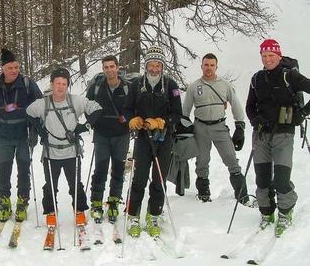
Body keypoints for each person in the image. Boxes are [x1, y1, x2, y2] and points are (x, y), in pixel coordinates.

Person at [246, 39, 310, 236]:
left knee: (281, 179)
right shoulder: (257, 78)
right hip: (262, 134)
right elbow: (250, 106)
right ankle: (266, 213)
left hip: (284, 133)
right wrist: (255, 120)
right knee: (262, 179)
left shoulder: (289, 75)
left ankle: (285, 211)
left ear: (279, 56)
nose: (267, 59)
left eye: (271, 55)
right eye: (264, 56)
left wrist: (302, 113)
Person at [26, 67, 102, 231]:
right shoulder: (43, 103)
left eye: (64, 84)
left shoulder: (75, 101)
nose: (60, 87)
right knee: (50, 185)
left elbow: (97, 109)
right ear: (52, 84)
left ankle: (79, 210)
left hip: (71, 152)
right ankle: (51, 212)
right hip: (50, 153)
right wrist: (39, 129)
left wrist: (86, 126)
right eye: (57, 83)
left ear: (67, 85)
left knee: (75, 184)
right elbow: (28, 112)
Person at [123, 45, 182, 237]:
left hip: (163, 138)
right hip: (142, 137)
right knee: (139, 178)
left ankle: (154, 213)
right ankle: (133, 215)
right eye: (151, 64)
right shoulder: (136, 84)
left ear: (162, 66)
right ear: (146, 65)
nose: (154, 68)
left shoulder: (171, 85)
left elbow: (177, 114)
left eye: (158, 65)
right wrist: (131, 119)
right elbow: (126, 109)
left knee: (159, 178)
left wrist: (161, 122)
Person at [183, 53, 251, 205]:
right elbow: (185, 110)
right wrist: (183, 128)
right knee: (202, 160)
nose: (209, 68)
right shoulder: (194, 86)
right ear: (201, 66)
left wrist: (240, 125)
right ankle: (203, 193)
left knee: (231, 158)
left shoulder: (225, 84)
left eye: (212, 65)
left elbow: (236, 104)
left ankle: (242, 194)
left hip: (219, 126)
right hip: (200, 127)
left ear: (216, 67)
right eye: (206, 65)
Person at [0, 48, 42, 223]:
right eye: (10, 67)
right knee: (3, 171)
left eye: (16, 67)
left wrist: (34, 131)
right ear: (3, 68)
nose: (14, 70)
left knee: (24, 171)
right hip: (3, 136)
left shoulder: (27, 83)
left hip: (23, 135)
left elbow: (39, 106)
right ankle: (4, 203)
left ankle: (22, 203)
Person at [86, 55, 130, 223]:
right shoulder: (97, 87)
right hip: (102, 134)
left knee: (118, 170)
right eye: (106, 67)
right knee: (101, 169)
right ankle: (96, 203)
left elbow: (133, 107)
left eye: (112, 66)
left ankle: (113, 202)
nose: (110, 70)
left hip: (122, 134)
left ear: (117, 67)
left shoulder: (127, 87)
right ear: (103, 69)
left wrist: (126, 118)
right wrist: (93, 122)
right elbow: (87, 106)